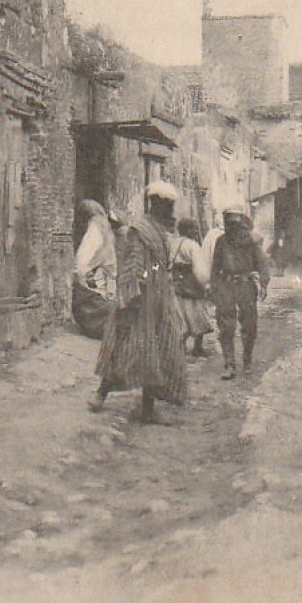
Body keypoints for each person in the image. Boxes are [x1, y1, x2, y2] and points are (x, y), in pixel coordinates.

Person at [89, 181, 187, 424]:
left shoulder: (160, 230)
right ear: (157, 205)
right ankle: (100, 395)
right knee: (125, 346)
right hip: (139, 300)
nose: (171, 212)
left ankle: (148, 408)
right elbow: (134, 266)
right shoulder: (140, 230)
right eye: (168, 206)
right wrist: (132, 297)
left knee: (155, 352)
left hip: (158, 300)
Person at [210, 204, 270, 379]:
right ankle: (229, 364)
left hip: (245, 286)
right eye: (228, 221)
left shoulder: (251, 241)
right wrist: (214, 288)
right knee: (226, 327)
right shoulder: (221, 241)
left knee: (249, 326)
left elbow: (262, 263)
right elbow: (215, 267)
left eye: (235, 221)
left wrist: (264, 284)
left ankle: (247, 360)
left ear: (241, 221)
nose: (232, 225)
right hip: (225, 286)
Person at [72, 200, 117, 339]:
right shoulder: (103, 228)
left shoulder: (96, 228)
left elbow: (81, 263)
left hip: (95, 290)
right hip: (102, 287)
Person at [169, 217, 213, 357]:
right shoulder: (193, 246)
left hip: (176, 283)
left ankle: (181, 347)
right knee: (198, 314)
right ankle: (197, 347)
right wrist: (206, 285)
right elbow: (199, 269)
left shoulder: (172, 243)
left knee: (180, 315)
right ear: (187, 230)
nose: (196, 231)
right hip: (191, 284)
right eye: (194, 228)